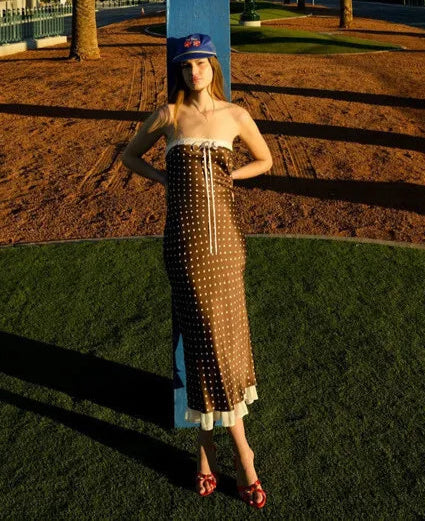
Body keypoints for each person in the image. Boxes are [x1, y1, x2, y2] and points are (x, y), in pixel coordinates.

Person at [121, 33, 273, 507]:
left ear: (213, 66)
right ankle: (245, 458)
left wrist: (234, 174)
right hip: (186, 247)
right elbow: (128, 156)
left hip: (228, 244)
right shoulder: (170, 115)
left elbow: (265, 159)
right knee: (203, 338)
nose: (194, 73)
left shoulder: (236, 115)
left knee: (225, 340)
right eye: (186, 67)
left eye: (201, 64)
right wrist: (164, 176)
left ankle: (206, 455)